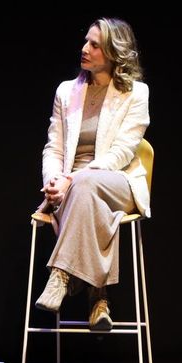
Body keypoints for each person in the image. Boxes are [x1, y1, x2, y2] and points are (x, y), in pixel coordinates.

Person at [34, 18, 151, 331]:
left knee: (86, 183)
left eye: (95, 45)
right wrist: (54, 180)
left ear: (114, 53)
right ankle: (98, 298)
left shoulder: (136, 94)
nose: (85, 49)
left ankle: (62, 275)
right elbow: (54, 148)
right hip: (75, 190)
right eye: (86, 41)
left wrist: (73, 179)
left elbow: (122, 153)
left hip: (119, 181)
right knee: (85, 193)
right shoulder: (66, 92)